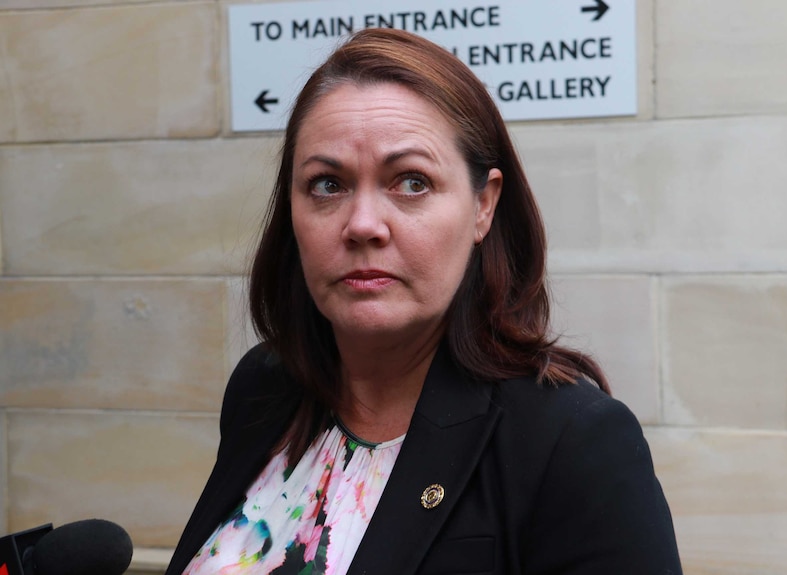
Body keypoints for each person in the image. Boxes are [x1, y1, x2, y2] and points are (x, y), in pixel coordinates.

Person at [165, 28, 682, 575]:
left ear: (483, 205)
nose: (363, 225)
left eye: (411, 182)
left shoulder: (572, 443)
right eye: (326, 185)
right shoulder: (265, 386)